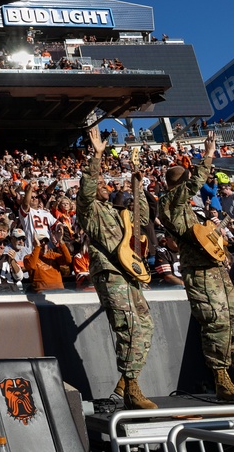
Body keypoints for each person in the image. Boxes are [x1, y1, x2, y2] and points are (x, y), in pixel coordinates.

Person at [159, 132, 234, 402]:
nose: (192, 181)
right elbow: (193, 184)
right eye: (186, 179)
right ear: (177, 184)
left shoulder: (190, 209)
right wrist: (209, 154)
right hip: (200, 274)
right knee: (216, 326)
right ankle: (222, 380)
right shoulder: (168, 203)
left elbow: (204, 237)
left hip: (215, 270)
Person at [77, 127, 156, 409]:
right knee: (128, 327)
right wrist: (96, 156)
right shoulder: (90, 211)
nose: (102, 185)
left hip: (130, 271)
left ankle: (125, 383)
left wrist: (138, 188)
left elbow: (142, 219)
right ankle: (132, 388)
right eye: (98, 183)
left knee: (144, 326)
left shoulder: (118, 212)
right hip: (110, 273)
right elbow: (85, 193)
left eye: (104, 183)